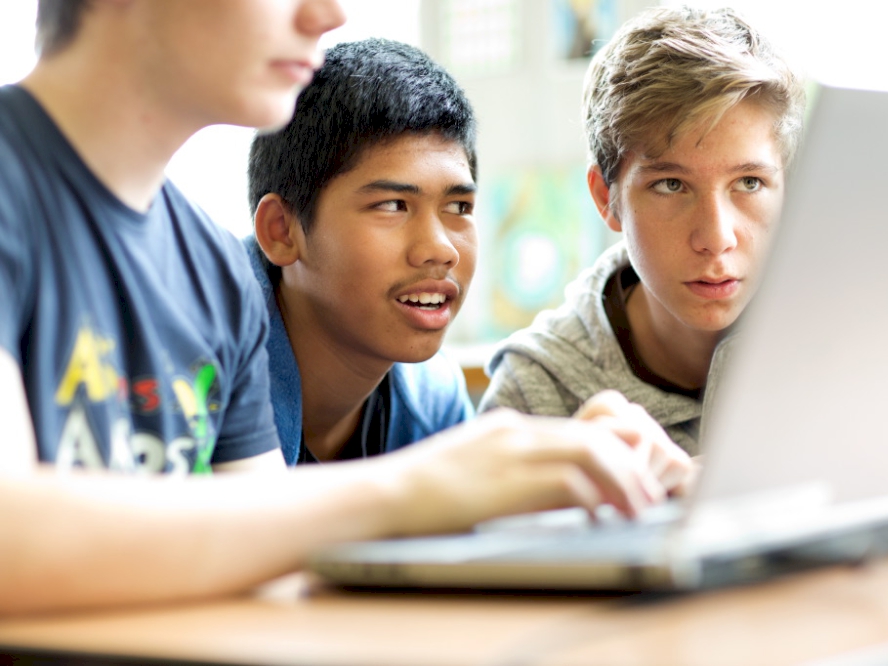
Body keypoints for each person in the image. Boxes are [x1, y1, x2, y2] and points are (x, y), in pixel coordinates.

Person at [0, 0, 691, 615]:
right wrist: (426, 482)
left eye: (459, 207)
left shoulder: (214, 271)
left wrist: (546, 496)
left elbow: (270, 575)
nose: (328, 13)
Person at [479, 6, 806, 455]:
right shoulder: (535, 399)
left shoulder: (839, 335)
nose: (715, 238)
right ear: (605, 199)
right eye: (671, 185)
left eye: (749, 183)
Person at [246, 38, 475, 466]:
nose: (441, 250)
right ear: (282, 230)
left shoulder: (435, 402)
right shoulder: (197, 367)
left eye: (459, 207)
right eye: (392, 205)